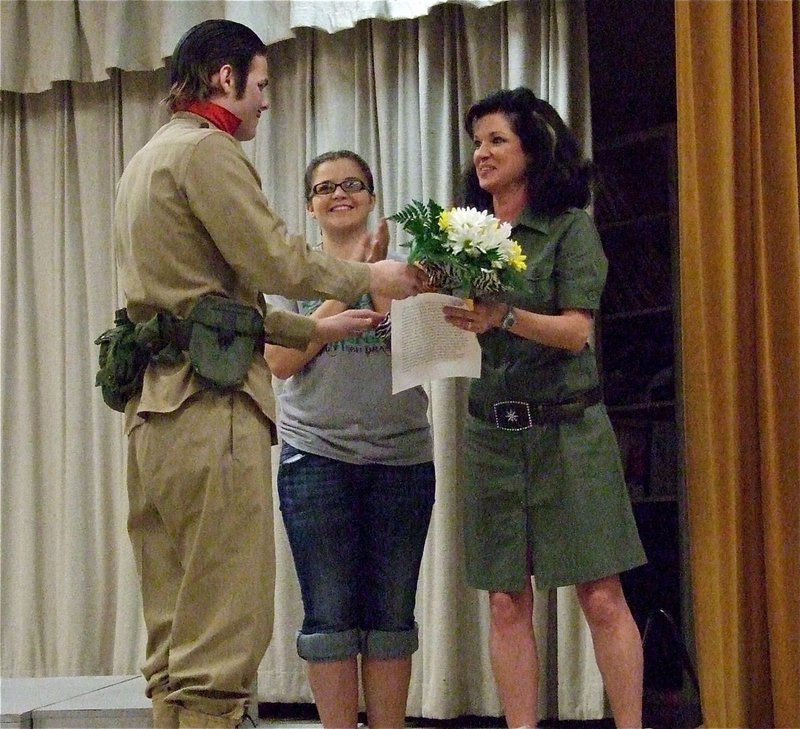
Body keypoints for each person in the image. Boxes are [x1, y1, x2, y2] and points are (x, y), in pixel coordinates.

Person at [113, 20, 426, 729]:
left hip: (155, 411)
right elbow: (274, 261)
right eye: (261, 84)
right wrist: (366, 274)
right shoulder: (207, 152)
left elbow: (201, 297)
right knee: (222, 640)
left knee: (173, 646)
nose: (265, 102)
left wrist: (307, 327)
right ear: (225, 78)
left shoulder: (148, 159)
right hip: (209, 410)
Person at [441, 87, 647, 728]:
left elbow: (575, 332)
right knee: (505, 601)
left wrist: (503, 315)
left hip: (570, 431)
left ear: (535, 148)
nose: (482, 154)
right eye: (478, 143)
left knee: (602, 595)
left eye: (497, 140)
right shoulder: (465, 234)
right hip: (492, 437)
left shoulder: (570, 227)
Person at [264, 150, 436, 729]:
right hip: (315, 458)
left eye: (353, 184)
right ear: (310, 206)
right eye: (325, 187)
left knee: (391, 615)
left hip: (402, 458)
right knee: (329, 616)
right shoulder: (289, 275)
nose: (340, 194)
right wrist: (349, 282)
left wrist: (381, 280)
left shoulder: (410, 269)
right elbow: (282, 361)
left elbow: (420, 357)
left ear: (371, 195)